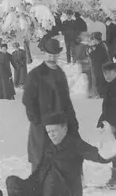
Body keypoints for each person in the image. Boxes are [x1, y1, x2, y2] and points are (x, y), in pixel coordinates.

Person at [6, 113, 115, 196]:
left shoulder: (75, 144)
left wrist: (108, 137)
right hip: (44, 189)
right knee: (12, 182)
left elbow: (101, 156)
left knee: (53, 182)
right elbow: (39, 173)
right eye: (49, 132)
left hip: (66, 191)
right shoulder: (49, 147)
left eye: (54, 131)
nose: (51, 135)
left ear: (65, 128)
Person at [22, 38, 79, 172]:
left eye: (54, 55)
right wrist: (38, 121)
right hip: (42, 126)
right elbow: (28, 101)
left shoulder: (60, 73)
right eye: (49, 54)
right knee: (40, 161)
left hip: (60, 125)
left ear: (58, 55)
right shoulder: (35, 74)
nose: (52, 58)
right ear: (44, 53)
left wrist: (72, 121)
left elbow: (66, 100)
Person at [75, 32, 96, 98]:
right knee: (90, 80)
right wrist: (86, 60)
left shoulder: (87, 46)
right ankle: (90, 93)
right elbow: (77, 58)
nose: (89, 38)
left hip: (89, 66)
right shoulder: (81, 46)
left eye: (89, 37)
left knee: (91, 79)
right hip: (86, 66)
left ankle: (91, 92)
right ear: (83, 38)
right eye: (87, 37)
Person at [88, 32, 109, 98]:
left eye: (92, 39)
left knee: (100, 83)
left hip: (100, 69)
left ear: (95, 39)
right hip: (101, 68)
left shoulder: (100, 47)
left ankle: (102, 96)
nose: (92, 40)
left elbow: (97, 59)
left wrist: (91, 53)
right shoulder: (101, 45)